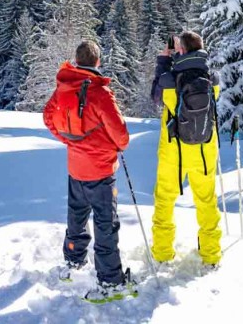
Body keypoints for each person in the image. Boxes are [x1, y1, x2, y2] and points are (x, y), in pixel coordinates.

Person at [42, 40, 138, 302]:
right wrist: (114, 146)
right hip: (100, 169)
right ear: (97, 62)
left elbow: (49, 117)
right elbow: (120, 134)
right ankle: (110, 281)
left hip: (76, 167)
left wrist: (70, 140)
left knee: (77, 216)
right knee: (105, 224)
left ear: (76, 59)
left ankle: (73, 261)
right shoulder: (99, 92)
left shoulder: (63, 88)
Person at [150, 30, 222, 269]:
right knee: (207, 202)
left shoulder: (170, 80)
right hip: (204, 151)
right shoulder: (213, 78)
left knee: (164, 200)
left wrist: (163, 61)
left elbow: (156, 97)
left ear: (180, 50)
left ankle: (163, 253)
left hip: (175, 152)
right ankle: (211, 255)